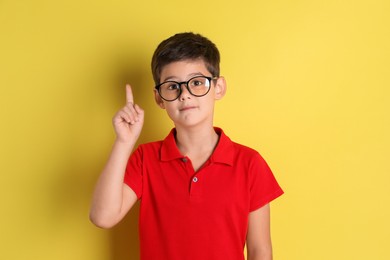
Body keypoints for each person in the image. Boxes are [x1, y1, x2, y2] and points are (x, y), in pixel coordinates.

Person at [90, 32, 284, 260]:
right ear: (159, 98)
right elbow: (103, 217)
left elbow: (260, 250)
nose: (185, 95)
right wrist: (124, 142)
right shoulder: (145, 158)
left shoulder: (249, 163)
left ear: (218, 87)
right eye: (172, 86)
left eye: (197, 83)